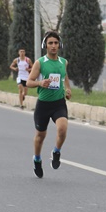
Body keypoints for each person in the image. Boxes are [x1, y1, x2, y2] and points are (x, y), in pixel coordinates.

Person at [25, 31, 72, 178]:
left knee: (63, 128)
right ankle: (37, 159)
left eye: (56, 43)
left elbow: (65, 77)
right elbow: (28, 82)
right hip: (43, 105)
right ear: (45, 45)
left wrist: (68, 89)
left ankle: (56, 151)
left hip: (59, 103)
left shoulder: (63, 62)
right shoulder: (40, 62)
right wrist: (40, 83)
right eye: (50, 43)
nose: (53, 46)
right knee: (40, 135)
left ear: (59, 45)